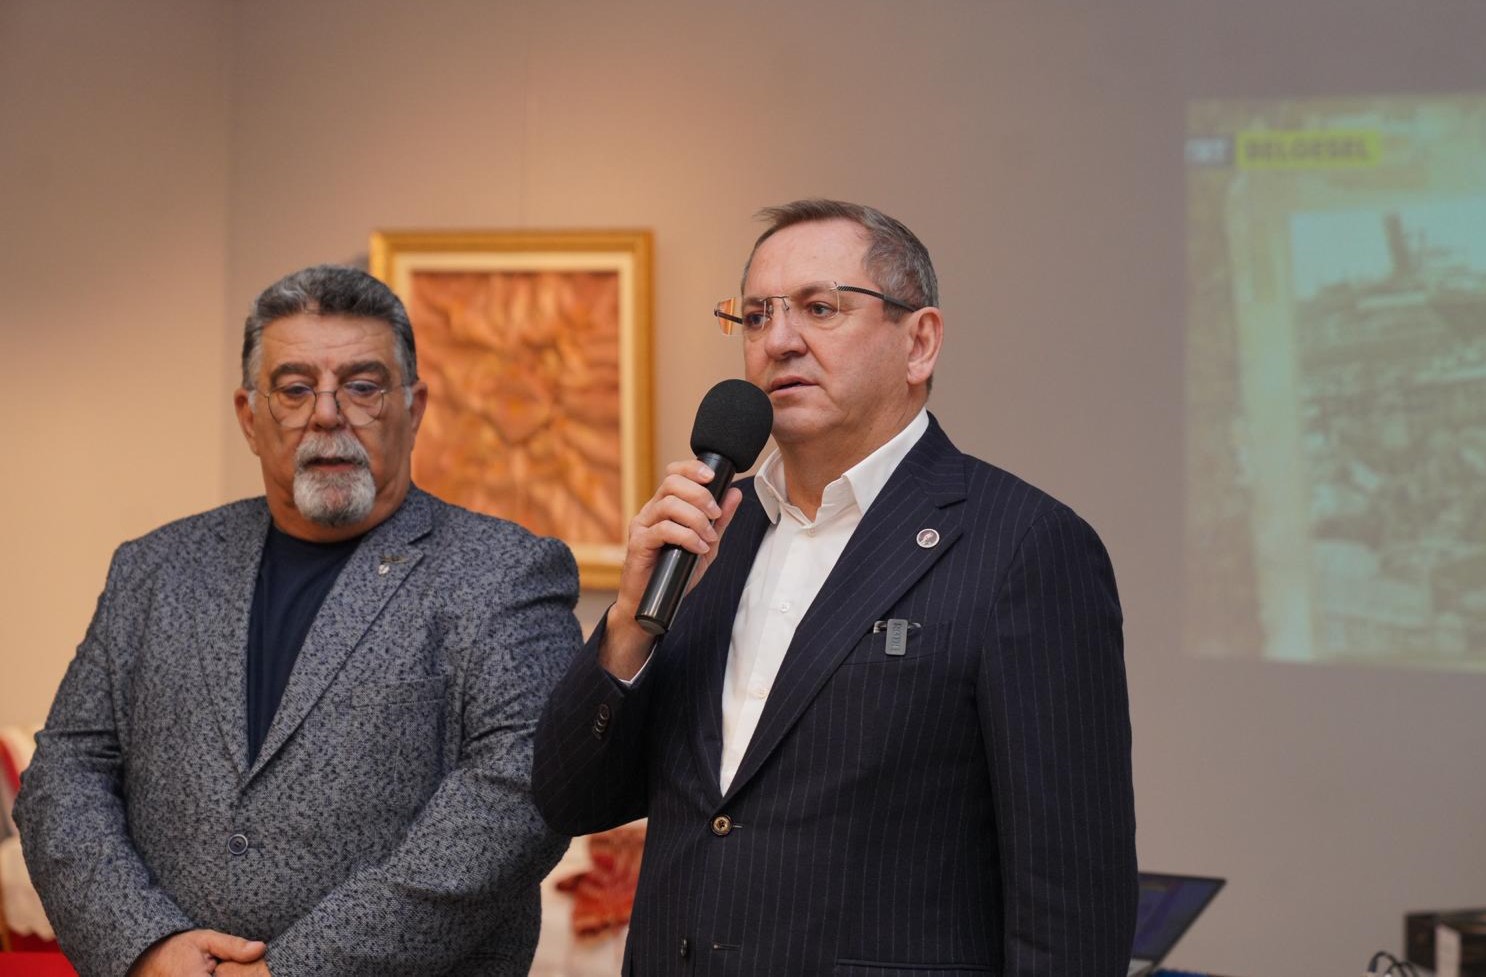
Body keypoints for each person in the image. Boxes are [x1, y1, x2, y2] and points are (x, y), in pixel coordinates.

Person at [533, 200, 1137, 976]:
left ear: (919, 342)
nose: (780, 339)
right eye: (756, 316)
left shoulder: (1023, 547)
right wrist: (629, 623)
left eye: (820, 308)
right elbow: (570, 799)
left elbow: (1070, 903)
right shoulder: (709, 532)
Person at [15, 265, 581, 977]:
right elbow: (66, 773)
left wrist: (294, 969)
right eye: (294, 389)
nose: (327, 414)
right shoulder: (154, 568)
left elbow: (517, 802)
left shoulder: (503, 573)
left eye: (363, 386)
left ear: (414, 408)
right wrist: (147, 947)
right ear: (249, 416)